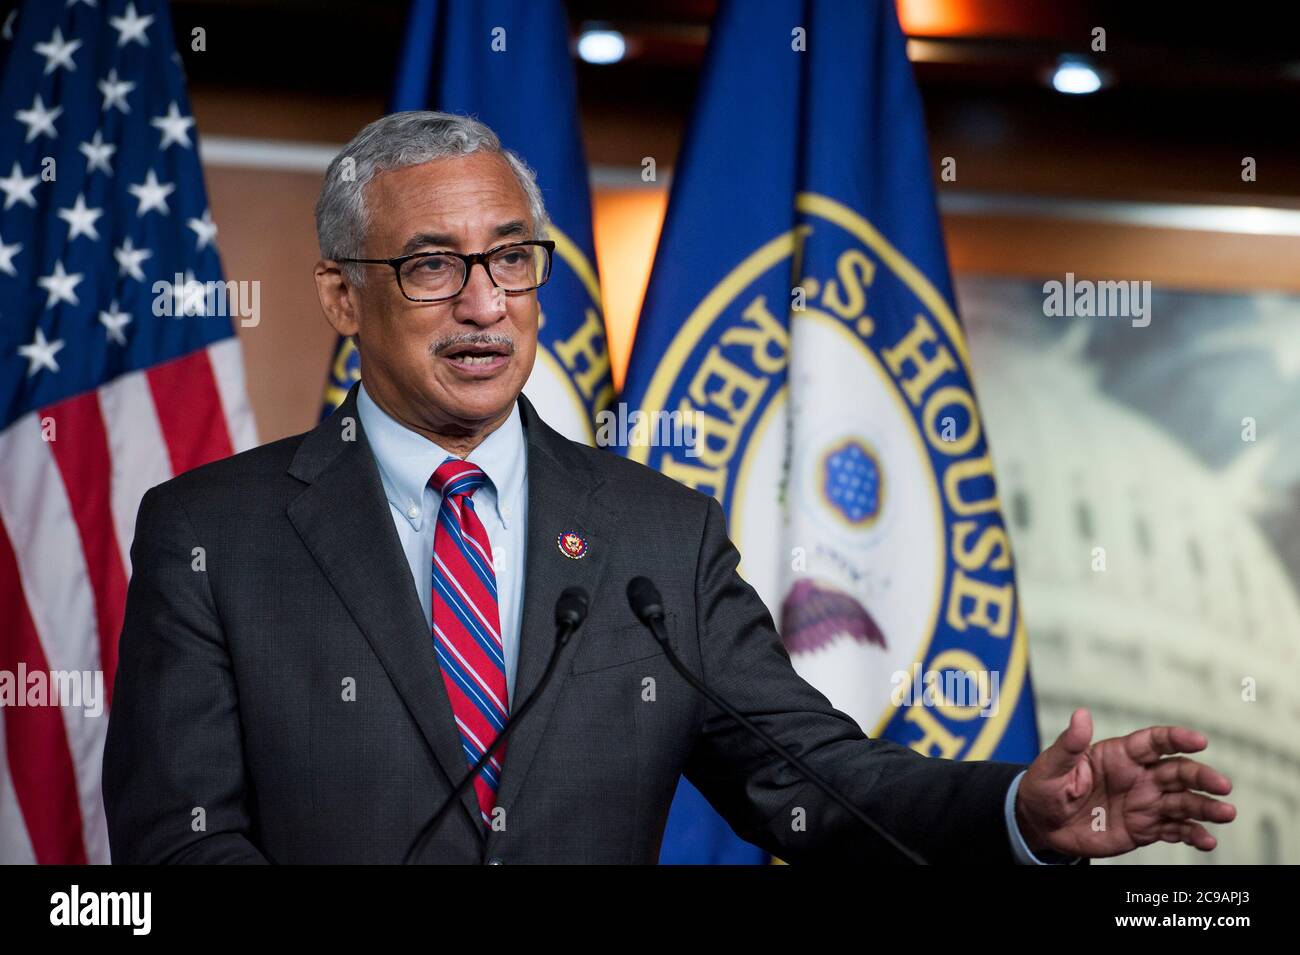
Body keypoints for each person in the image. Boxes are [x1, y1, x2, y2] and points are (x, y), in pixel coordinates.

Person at [102, 112, 1236, 864]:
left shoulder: (657, 535)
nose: (487, 304)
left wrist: (1016, 814)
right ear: (343, 297)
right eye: (433, 265)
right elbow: (177, 846)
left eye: (512, 258)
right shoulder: (212, 534)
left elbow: (812, 783)